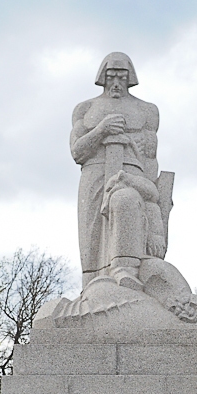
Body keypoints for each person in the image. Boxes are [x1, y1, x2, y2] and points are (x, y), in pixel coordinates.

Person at [70, 52, 169, 291]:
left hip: (131, 173)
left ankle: (130, 277)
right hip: (95, 174)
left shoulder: (147, 111)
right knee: (92, 239)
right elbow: (77, 152)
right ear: (102, 76)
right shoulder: (86, 108)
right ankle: (91, 292)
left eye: (121, 77)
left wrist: (154, 206)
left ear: (130, 78)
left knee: (128, 208)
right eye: (111, 76)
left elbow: (150, 159)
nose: (116, 82)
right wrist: (102, 129)